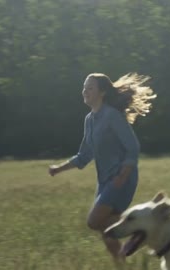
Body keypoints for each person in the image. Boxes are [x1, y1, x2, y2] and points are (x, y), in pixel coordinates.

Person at [48, 72, 156, 262]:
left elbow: (133, 146)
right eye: (84, 87)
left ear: (102, 92)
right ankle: (122, 263)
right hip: (105, 181)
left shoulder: (111, 116)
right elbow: (84, 156)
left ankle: (143, 226)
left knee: (94, 221)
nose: (85, 91)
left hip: (121, 177)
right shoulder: (89, 120)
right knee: (106, 230)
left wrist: (124, 174)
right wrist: (59, 168)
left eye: (90, 88)